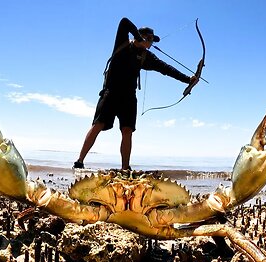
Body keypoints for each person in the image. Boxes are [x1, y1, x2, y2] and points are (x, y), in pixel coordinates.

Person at [74, 17, 198, 170]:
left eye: (152, 40)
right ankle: (79, 162)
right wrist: (139, 38)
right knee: (98, 125)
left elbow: (166, 69)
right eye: (149, 38)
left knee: (127, 130)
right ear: (140, 36)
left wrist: (187, 80)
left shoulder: (147, 56)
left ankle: (125, 168)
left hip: (129, 97)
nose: (151, 43)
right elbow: (124, 22)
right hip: (111, 93)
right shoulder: (123, 43)